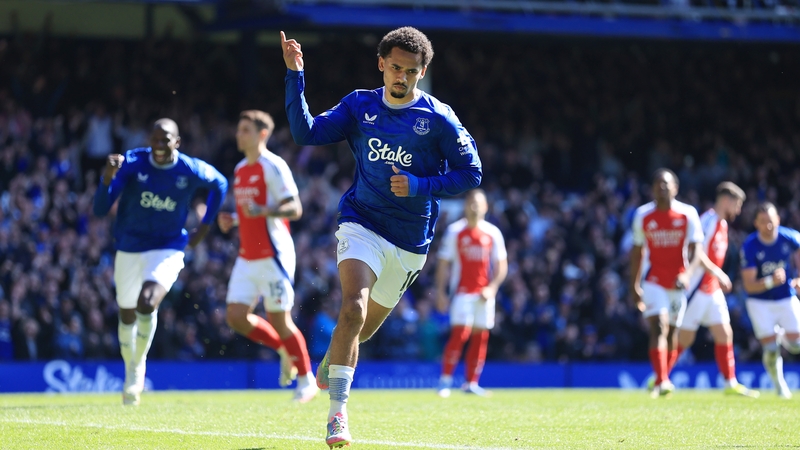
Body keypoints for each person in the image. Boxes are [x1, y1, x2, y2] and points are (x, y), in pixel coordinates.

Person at [281, 26, 482, 448]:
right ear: (381, 64)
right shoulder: (359, 105)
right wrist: (295, 74)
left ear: (422, 72)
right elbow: (306, 134)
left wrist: (420, 185)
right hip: (362, 222)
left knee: (362, 328)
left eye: (411, 71)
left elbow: (472, 172)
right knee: (352, 309)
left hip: (411, 241)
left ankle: (333, 358)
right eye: (395, 68)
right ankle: (338, 415)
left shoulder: (439, 118)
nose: (402, 77)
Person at [93, 118, 228, 406]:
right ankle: (130, 364)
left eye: (165, 139)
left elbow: (220, 183)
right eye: (155, 139)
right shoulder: (132, 163)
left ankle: (137, 368)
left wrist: (204, 228)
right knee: (126, 315)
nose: (159, 145)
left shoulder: (188, 168)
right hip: (128, 247)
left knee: (147, 301)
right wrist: (107, 178)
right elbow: (101, 208)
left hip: (168, 247)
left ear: (176, 142)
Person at [216, 110, 317, 403]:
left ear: (262, 134)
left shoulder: (273, 166)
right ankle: (284, 350)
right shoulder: (238, 170)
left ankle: (306, 379)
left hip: (274, 254)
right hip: (247, 255)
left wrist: (264, 211)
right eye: (239, 129)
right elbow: (250, 211)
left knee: (280, 320)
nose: (239, 135)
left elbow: (294, 208)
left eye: (245, 130)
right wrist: (234, 220)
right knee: (235, 317)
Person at [673, 182, 758, 397]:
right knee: (685, 339)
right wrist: (718, 273)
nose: (738, 211)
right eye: (737, 205)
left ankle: (730, 382)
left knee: (724, 333)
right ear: (726, 200)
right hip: (699, 288)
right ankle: (659, 377)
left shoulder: (722, 224)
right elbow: (697, 252)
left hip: (712, 290)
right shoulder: (708, 221)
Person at [629, 168, 703, 398]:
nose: (662, 187)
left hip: (678, 282)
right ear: (652, 189)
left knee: (672, 333)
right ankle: (661, 381)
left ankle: (663, 377)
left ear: (676, 188)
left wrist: (688, 275)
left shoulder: (687, 214)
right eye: (658, 183)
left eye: (667, 183)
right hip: (653, 280)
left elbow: (697, 251)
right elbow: (638, 251)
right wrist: (634, 284)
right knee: (658, 326)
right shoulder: (642, 215)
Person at [435, 189, 507, 398]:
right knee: (460, 334)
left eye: (479, 203)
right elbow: (443, 263)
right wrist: (440, 292)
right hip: (462, 293)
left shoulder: (493, 233)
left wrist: (492, 287)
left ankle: (471, 383)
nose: (475, 207)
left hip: (484, 295)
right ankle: (445, 381)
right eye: (471, 203)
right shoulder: (455, 231)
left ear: (486, 207)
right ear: (466, 206)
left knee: (481, 337)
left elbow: (501, 265)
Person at [740, 202, 800, 399]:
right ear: (756, 223)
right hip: (759, 302)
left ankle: (782, 336)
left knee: (796, 345)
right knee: (771, 349)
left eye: (771, 221)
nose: (768, 225)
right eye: (763, 221)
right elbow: (749, 285)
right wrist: (769, 281)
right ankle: (779, 385)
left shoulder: (789, 238)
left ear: (778, 220)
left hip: (785, 297)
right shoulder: (750, 245)